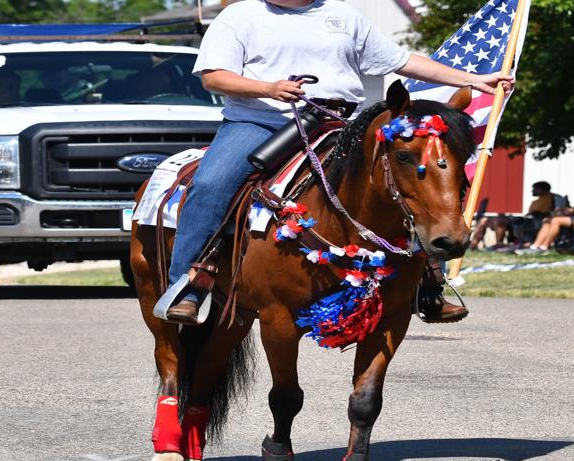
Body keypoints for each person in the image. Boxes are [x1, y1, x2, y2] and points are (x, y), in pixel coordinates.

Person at [159, 0, 514, 325]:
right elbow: (214, 77)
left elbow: (403, 61)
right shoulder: (240, 15)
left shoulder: (344, 16)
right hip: (260, 122)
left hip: (339, 121)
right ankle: (189, 286)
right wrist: (269, 88)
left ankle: (428, 285)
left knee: (403, 180)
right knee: (211, 183)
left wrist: (474, 80)